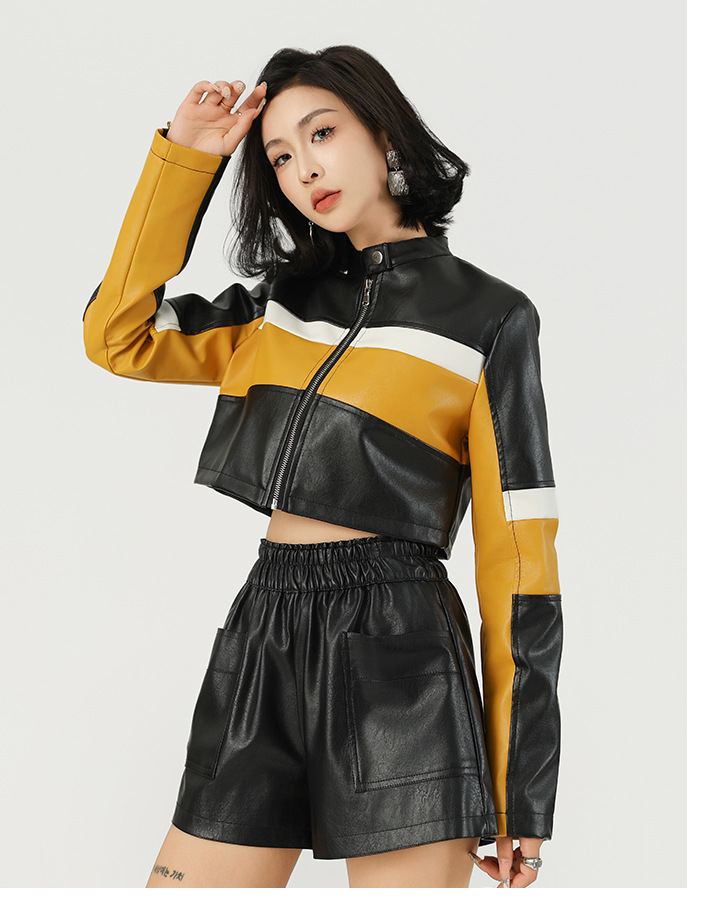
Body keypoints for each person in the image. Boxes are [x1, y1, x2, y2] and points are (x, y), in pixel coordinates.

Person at [82, 45, 563, 889]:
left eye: (322, 134)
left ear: (384, 133)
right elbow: (118, 336)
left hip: (399, 648)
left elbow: (519, 560)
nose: (303, 169)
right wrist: (187, 157)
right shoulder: (279, 307)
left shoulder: (490, 317)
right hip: (265, 629)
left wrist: (520, 784)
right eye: (278, 156)